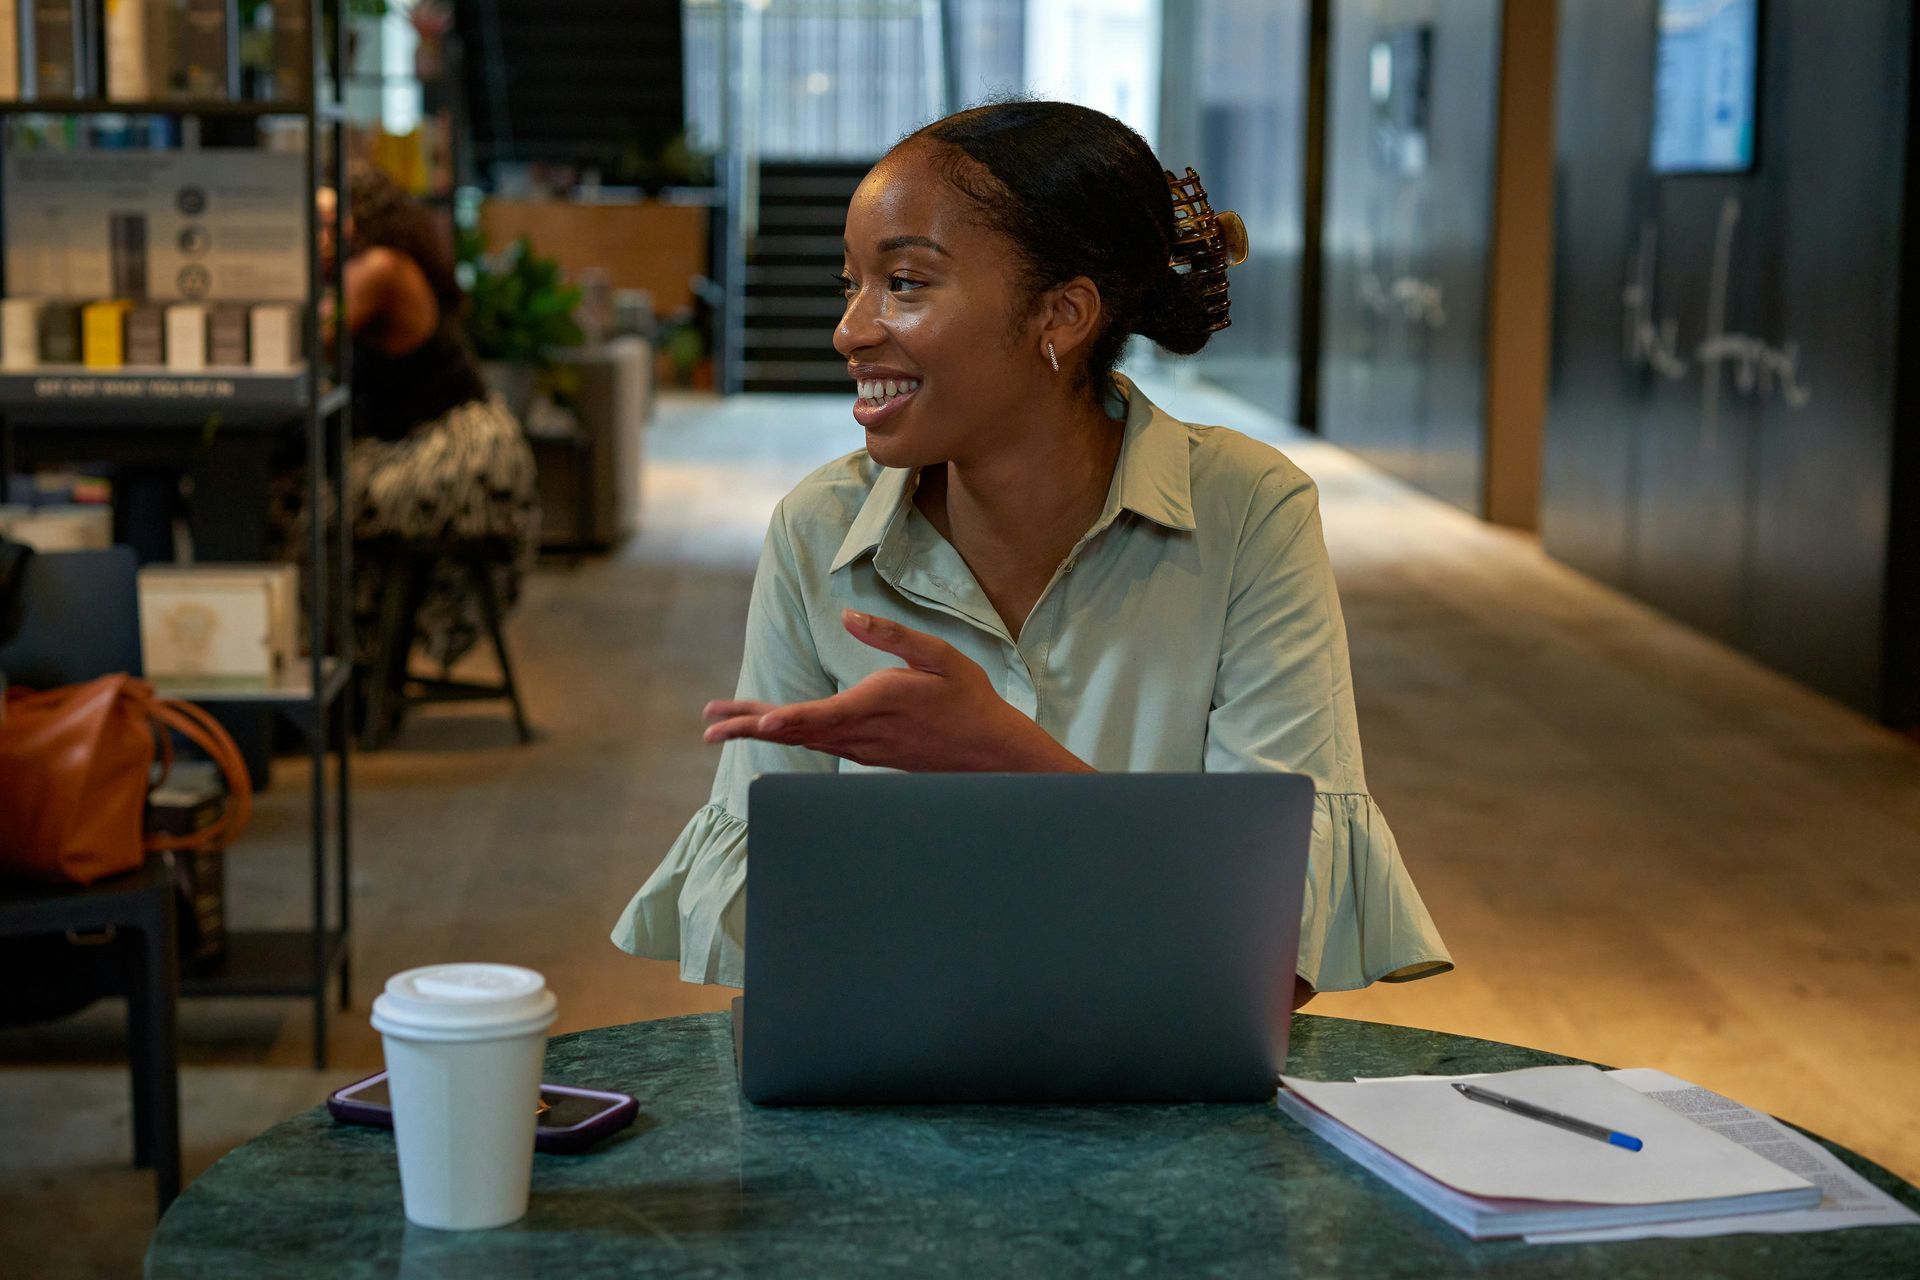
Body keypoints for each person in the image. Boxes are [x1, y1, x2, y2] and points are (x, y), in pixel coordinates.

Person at [611, 101, 1451, 1009]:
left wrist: (1004, 758)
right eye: (849, 282)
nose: (850, 331)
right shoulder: (818, 531)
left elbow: (1275, 955)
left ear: (1062, 314)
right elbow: (774, 944)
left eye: (904, 283)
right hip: (892, 1097)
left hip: (1166, 1111)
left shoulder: (1248, 512)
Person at [273, 167, 538, 676]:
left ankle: (319, 669)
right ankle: (355, 663)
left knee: (300, 503)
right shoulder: (381, 263)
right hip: (441, 448)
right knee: (314, 493)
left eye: (332, 223)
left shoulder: (381, 267)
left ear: (367, 218)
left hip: (463, 461)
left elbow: (303, 339)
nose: (321, 238)